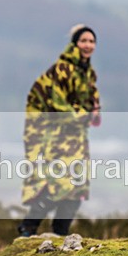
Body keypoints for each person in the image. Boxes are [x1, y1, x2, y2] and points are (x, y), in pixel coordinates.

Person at [18, 24, 101, 237]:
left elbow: (92, 100)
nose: (88, 45)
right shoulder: (62, 69)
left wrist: (94, 111)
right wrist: (83, 115)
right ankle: (28, 227)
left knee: (78, 185)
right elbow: (58, 105)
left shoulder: (88, 73)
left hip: (78, 137)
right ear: (75, 43)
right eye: (83, 40)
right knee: (58, 183)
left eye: (92, 41)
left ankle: (61, 231)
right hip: (54, 135)